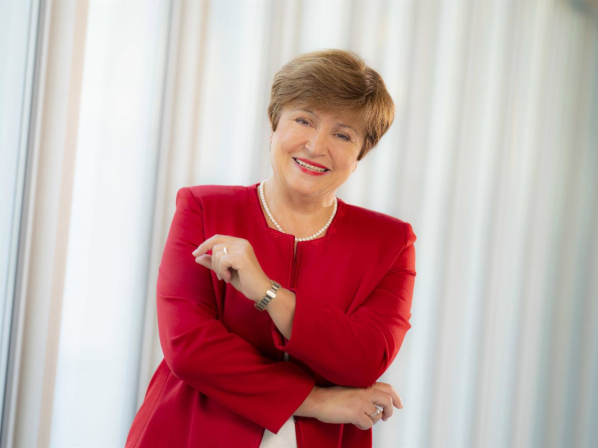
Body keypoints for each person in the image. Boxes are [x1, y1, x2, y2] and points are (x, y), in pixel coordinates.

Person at [125, 48, 417, 448]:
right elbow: (189, 348)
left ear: (360, 154)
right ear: (274, 124)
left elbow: (366, 358)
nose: (316, 146)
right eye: (304, 120)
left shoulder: (390, 242)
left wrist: (268, 292)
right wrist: (318, 402)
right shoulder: (204, 208)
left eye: (342, 134)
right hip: (191, 431)